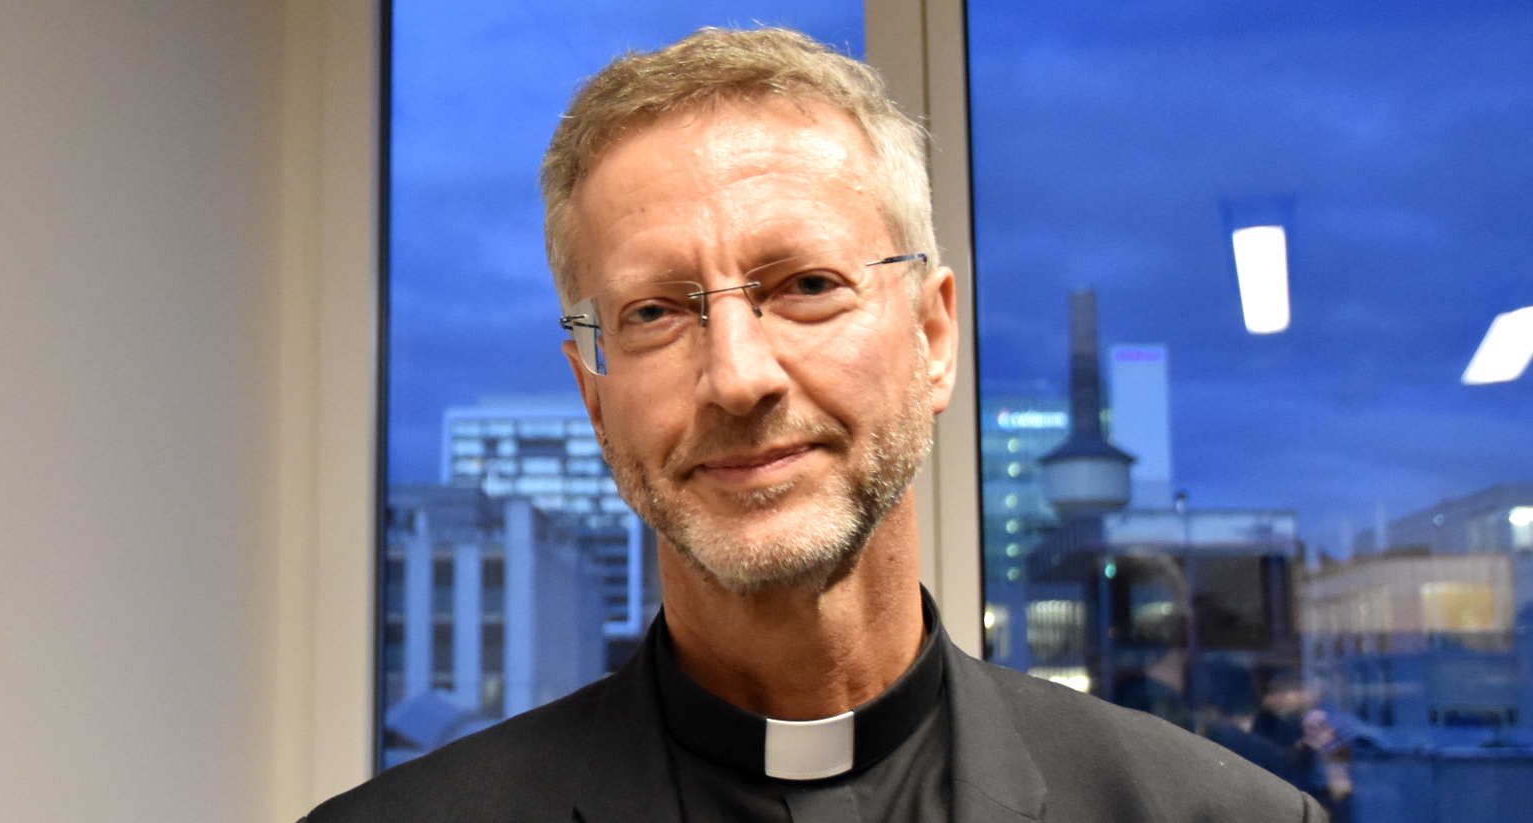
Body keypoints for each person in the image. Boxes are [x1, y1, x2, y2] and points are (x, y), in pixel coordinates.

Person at [308, 27, 1324, 822]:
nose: (737, 377)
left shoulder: (1218, 814)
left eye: (805, 285)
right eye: (656, 311)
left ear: (934, 337)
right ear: (594, 395)